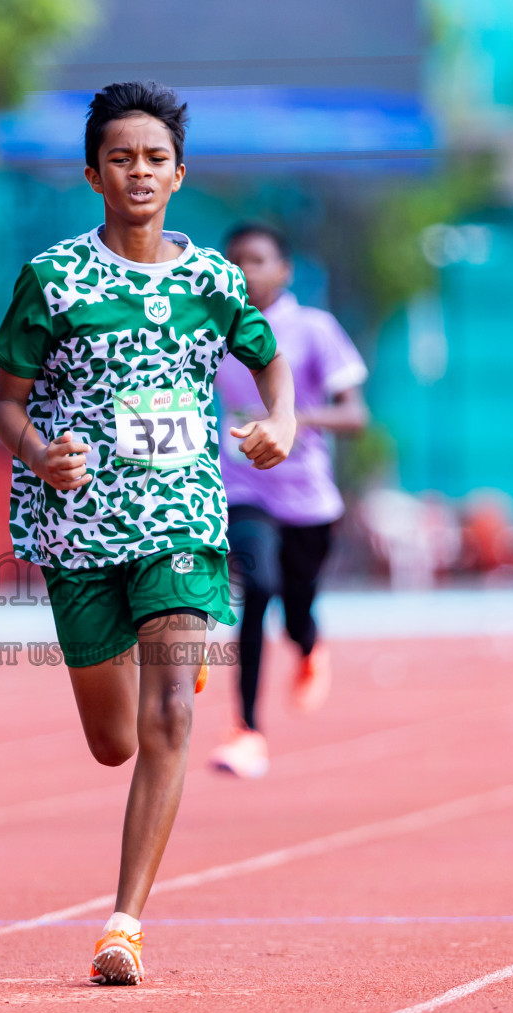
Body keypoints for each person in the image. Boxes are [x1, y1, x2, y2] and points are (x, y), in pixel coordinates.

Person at [0, 81, 295, 985]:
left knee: (171, 713)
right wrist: (41, 452)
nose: (139, 173)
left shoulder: (212, 281)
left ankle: (124, 923)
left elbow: (271, 368)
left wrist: (280, 423)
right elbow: (3, 405)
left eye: (155, 158)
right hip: (77, 529)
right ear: (93, 174)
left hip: (181, 517)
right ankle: (156, 658)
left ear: (180, 174)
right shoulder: (54, 280)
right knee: (113, 742)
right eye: (122, 158)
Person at [208, 224, 367, 780]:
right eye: (236, 261)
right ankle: (246, 731)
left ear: (285, 270)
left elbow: (355, 415)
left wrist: (292, 419)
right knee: (258, 590)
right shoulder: (211, 329)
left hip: (307, 498)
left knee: (297, 604)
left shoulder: (314, 330)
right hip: (242, 488)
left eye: (258, 260)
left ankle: (308, 644)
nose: (246, 271)